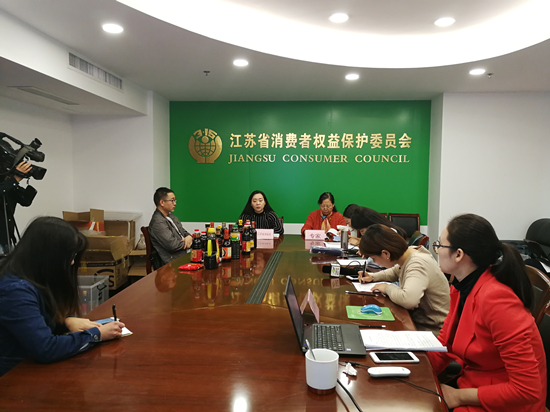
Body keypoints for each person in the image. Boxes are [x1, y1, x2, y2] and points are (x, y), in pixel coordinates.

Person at [428, 214, 546, 412]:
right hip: (475, 384)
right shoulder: (461, 286)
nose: (437, 250)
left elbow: (526, 390)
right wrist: (416, 368)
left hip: (504, 402)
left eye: (440, 245)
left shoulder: (497, 299)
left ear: (458, 254)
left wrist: (458, 396)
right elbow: (445, 343)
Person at [0, 217, 124, 376]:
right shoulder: (15, 292)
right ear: (49, 255)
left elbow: (34, 325)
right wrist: (97, 335)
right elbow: (46, 348)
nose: (72, 262)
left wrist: (64, 323)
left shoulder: (29, 275)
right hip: (13, 376)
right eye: (69, 256)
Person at [358, 224, 449, 334]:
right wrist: (372, 276)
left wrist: (387, 288)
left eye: (373, 258)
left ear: (386, 254)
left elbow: (408, 300)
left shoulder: (417, 263)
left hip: (434, 331)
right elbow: (395, 271)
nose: (374, 262)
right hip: (418, 323)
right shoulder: (409, 253)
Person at [148, 187, 193, 267]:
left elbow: (185, 233)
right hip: (173, 263)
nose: (175, 203)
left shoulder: (172, 217)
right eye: (172, 200)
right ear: (162, 202)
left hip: (185, 256)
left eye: (175, 200)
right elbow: (172, 245)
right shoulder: (158, 222)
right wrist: (189, 243)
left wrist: (189, 237)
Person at [0, 161, 37, 255]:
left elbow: (25, 201)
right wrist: (14, 179)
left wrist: (19, 179)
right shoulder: (6, 186)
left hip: (7, 239)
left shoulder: (8, 186)